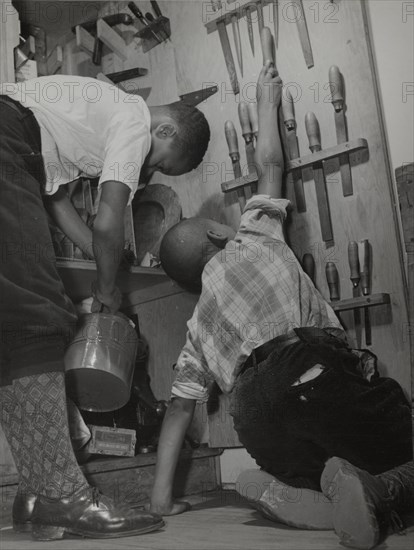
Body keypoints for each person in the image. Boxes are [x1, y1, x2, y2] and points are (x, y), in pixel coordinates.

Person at [148, 60, 413, 548]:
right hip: (309, 369)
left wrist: (161, 500)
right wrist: (266, 101)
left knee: (321, 460)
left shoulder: (197, 328)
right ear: (216, 234)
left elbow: (179, 413)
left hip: (253, 418)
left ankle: (314, 495)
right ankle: (377, 498)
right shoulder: (253, 236)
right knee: (401, 441)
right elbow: (271, 165)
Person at [0, 74, 210, 540]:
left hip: (13, 149)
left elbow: (56, 199)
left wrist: (104, 257)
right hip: (5, 141)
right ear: (166, 131)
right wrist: (108, 288)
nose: (147, 171)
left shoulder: (83, 119)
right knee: (36, 314)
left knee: (11, 318)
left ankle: (36, 492)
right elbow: (109, 219)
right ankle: (60, 494)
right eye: (159, 163)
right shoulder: (133, 120)